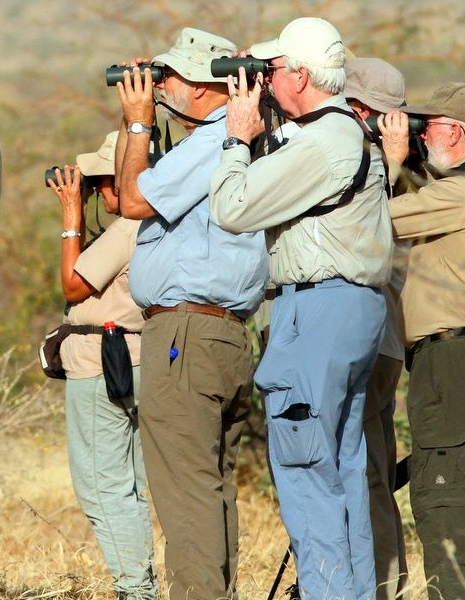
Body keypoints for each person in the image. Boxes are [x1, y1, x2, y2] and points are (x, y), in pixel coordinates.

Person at [209, 17, 393, 600]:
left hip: (316, 312)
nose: (267, 78)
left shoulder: (323, 141)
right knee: (340, 469)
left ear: (302, 75)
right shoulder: (336, 132)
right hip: (348, 311)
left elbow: (232, 207)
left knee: (306, 471)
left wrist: (238, 137)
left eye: (275, 69)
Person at [114, 27, 269, 600]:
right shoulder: (231, 139)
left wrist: (134, 120)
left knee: (184, 491)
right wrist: (145, 120)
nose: (160, 86)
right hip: (221, 336)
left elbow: (131, 200)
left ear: (206, 86)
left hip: (186, 331)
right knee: (209, 486)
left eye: (169, 76)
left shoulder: (213, 141)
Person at [376, 82, 465, 599]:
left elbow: (374, 224)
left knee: (449, 492)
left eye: (425, 125)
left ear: (453, 131)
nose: (417, 135)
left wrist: (392, 160)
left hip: (456, 358)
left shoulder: (463, 193)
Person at [46, 133, 157, 600]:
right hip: (144, 358)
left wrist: (72, 217)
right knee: (132, 485)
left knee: (103, 487)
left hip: (103, 363)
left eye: (101, 181)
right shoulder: (167, 218)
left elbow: (74, 285)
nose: (97, 191)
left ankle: (136, 590)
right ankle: (146, 581)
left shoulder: (128, 226)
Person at [343, 56, 409, 600]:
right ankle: (390, 579)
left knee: (360, 471)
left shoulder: (372, 165)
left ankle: (377, 585)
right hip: (386, 338)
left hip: (366, 333)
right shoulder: (405, 166)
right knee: (376, 471)